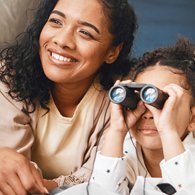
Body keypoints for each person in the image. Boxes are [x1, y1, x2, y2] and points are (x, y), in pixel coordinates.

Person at [0, 0, 137, 194]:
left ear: (112, 51)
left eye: (85, 33)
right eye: (56, 21)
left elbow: (105, 179)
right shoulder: (10, 76)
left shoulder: (124, 96)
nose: (62, 40)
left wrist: (46, 185)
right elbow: (10, 175)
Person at [90, 38, 195, 194]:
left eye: (164, 103)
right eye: (139, 99)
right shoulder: (123, 148)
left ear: (192, 119)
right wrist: (116, 131)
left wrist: (167, 130)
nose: (149, 115)